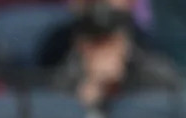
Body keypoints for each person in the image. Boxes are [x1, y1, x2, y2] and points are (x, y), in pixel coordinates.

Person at [51, 2, 182, 107]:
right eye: (96, 43)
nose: (104, 52)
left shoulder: (157, 77)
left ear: (125, 43)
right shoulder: (67, 80)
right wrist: (81, 107)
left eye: (110, 42)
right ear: (81, 46)